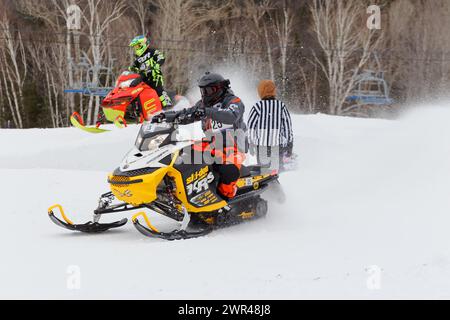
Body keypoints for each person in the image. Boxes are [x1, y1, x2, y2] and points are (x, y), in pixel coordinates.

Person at [153, 72, 246, 199]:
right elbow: (187, 113)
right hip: (211, 144)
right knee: (182, 155)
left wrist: (207, 111)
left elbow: (230, 116)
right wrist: (166, 116)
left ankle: (227, 197)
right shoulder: (202, 105)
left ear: (219, 89)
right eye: (203, 91)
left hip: (233, 147)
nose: (205, 95)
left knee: (228, 170)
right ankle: (174, 187)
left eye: (208, 90)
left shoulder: (233, 101)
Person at [247, 79, 294, 171]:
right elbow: (287, 127)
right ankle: (279, 184)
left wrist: (251, 143)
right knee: (277, 171)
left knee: (264, 172)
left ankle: (268, 184)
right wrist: (289, 144)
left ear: (260, 91)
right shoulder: (281, 106)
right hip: (278, 145)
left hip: (262, 146)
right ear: (274, 91)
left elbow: (251, 127)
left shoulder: (257, 106)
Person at [128, 35, 172, 108]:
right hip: (143, 77)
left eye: (137, 46)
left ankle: (167, 105)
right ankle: (133, 106)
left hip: (154, 75)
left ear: (143, 44)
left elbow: (161, 57)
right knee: (133, 86)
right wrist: (132, 68)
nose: (136, 48)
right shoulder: (138, 59)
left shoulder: (152, 51)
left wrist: (157, 64)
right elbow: (134, 66)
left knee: (158, 89)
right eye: (135, 47)